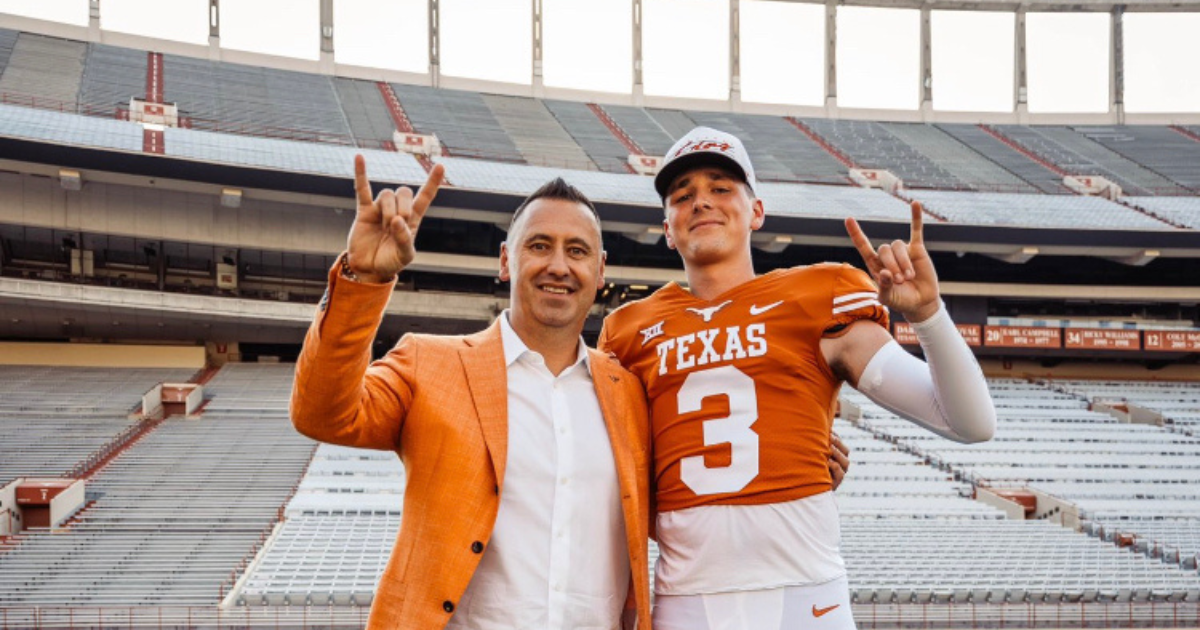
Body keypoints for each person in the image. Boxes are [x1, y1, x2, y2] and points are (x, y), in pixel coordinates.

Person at [598, 127, 997, 630]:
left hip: (805, 596)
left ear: (756, 212)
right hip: (686, 598)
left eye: (721, 188)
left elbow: (969, 422)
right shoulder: (627, 329)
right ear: (667, 226)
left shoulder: (818, 294)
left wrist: (930, 315)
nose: (701, 202)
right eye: (683, 196)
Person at [291, 157, 653, 630]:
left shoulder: (629, 392)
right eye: (540, 245)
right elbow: (321, 415)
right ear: (507, 259)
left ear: (600, 269)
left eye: (578, 251)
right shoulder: (429, 363)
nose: (559, 266)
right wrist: (366, 278)